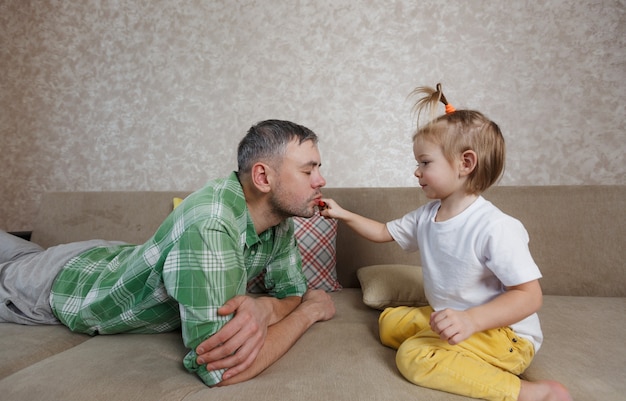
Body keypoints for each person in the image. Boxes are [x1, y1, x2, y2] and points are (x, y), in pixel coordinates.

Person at [0, 119, 336, 387]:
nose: (320, 180)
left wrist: (265, 308)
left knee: (22, 252)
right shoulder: (210, 225)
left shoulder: (279, 219)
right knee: (18, 261)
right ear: (263, 177)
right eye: (308, 170)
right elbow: (221, 370)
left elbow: (291, 292)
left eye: (318, 168)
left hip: (102, 255)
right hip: (56, 283)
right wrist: (309, 314)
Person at [319, 85, 572, 401]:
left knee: (414, 356)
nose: (416, 171)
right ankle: (455, 343)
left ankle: (534, 393)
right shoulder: (427, 215)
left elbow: (529, 296)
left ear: (466, 164)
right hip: (457, 314)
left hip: (505, 335)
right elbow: (383, 231)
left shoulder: (495, 226)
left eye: (425, 162)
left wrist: (471, 320)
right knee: (389, 323)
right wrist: (342, 213)